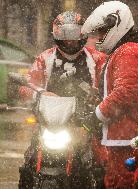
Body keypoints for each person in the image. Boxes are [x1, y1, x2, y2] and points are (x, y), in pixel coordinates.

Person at [18, 11, 106, 188]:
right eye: (64, 35)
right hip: (50, 123)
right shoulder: (44, 58)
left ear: (83, 34)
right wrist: (40, 93)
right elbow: (26, 86)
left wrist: (97, 97)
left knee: (101, 163)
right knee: (29, 160)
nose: (70, 41)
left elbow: (109, 88)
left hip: (84, 123)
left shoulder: (98, 59)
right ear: (56, 34)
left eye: (74, 35)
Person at [81, 1, 138, 188]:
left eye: (102, 31)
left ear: (116, 24)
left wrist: (96, 116)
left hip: (129, 135)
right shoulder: (135, 48)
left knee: (122, 183)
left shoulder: (129, 51)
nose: (100, 37)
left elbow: (124, 93)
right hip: (132, 134)